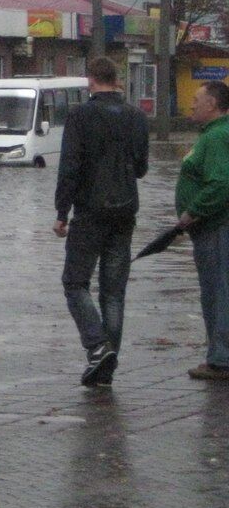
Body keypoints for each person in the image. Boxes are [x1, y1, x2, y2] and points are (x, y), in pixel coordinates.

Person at [52, 56, 149, 387]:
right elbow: (141, 168)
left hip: (90, 211)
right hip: (125, 211)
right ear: (116, 79)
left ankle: (97, 346)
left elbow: (70, 167)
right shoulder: (137, 117)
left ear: (91, 80)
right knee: (114, 292)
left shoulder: (80, 115)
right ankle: (106, 367)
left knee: (75, 283)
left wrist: (61, 212)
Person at [176, 80, 229, 380]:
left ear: (212, 104)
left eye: (197, 99)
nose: (192, 104)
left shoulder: (217, 137)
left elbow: (220, 183)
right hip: (211, 228)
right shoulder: (213, 134)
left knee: (217, 292)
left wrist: (192, 212)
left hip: (215, 227)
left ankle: (220, 358)